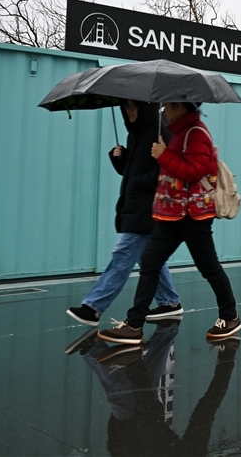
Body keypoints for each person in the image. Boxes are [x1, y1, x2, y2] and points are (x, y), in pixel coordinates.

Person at [98, 102, 240, 345]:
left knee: (209, 267)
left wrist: (163, 155)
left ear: (180, 107)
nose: (164, 110)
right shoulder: (177, 133)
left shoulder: (196, 133)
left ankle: (229, 317)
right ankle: (134, 325)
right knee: (150, 266)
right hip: (170, 215)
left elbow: (193, 172)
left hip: (194, 217)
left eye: (169, 106)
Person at [67, 101, 182, 326]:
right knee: (148, 257)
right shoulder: (135, 134)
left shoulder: (160, 132)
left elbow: (169, 170)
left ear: (144, 107)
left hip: (149, 208)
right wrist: (120, 159)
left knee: (123, 254)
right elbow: (135, 171)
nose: (129, 111)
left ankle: (93, 307)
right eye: (125, 107)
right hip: (136, 206)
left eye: (133, 106)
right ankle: (170, 302)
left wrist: (138, 179)